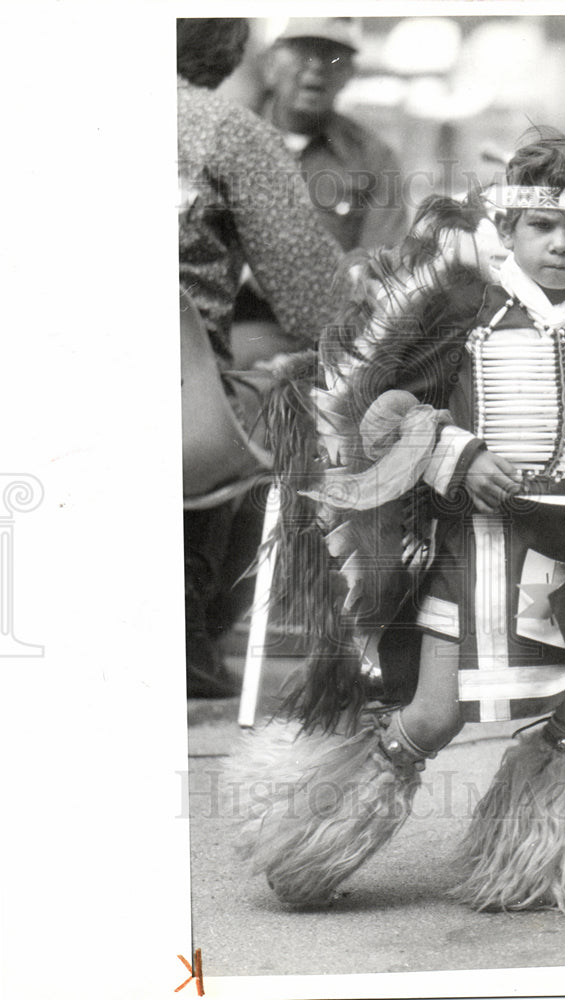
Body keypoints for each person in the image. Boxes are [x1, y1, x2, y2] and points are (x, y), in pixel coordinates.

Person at [228, 134, 565, 913]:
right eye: (542, 226)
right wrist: (457, 452)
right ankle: (309, 841)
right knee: (435, 715)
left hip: (562, 545)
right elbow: (378, 409)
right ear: (508, 230)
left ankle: (549, 863)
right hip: (474, 545)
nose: (559, 244)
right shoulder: (464, 306)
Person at [177, 18, 343, 697]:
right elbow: (319, 306)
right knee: (287, 408)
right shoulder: (226, 129)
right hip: (179, 415)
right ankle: (187, 624)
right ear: (230, 52)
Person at [232, 17, 407, 365]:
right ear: (270, 65)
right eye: (301, 53)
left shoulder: (373, 156)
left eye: (331, 56)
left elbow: (382, 265)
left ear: (349, 74)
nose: (315, 69)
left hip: (332, 336)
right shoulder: (230, 140)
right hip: (241, 324)